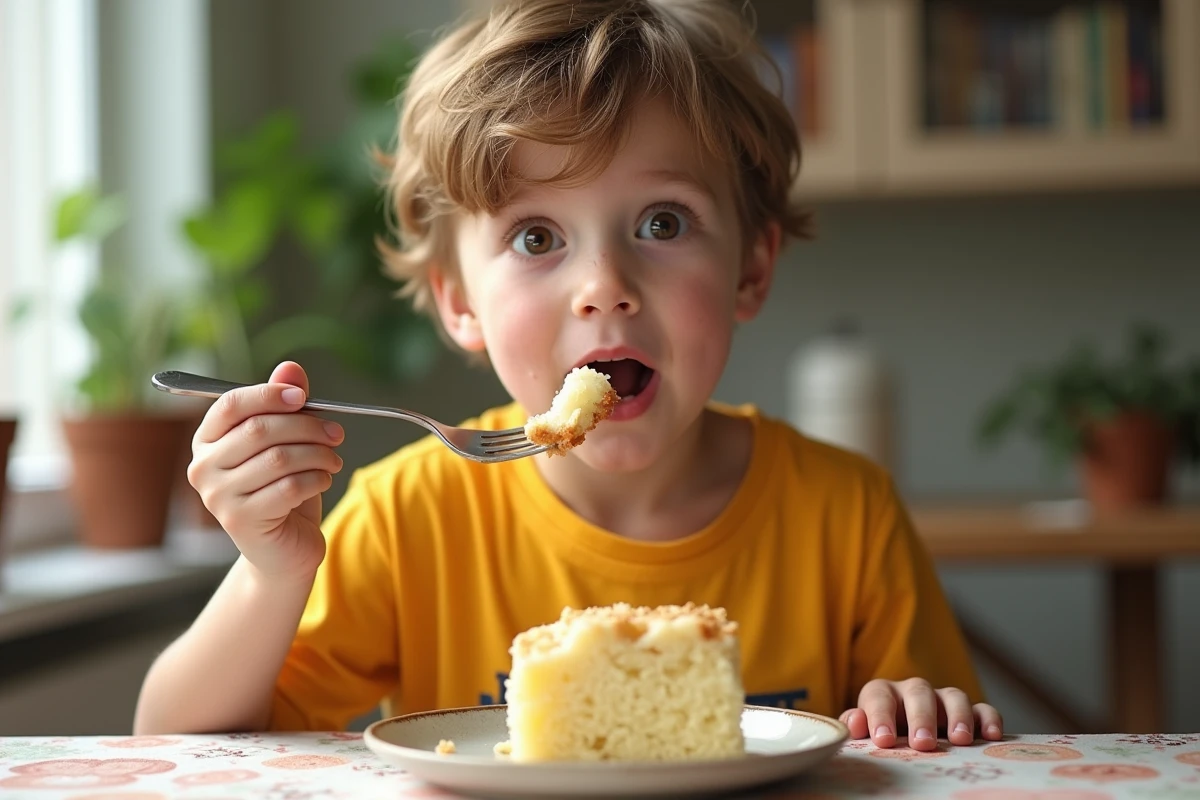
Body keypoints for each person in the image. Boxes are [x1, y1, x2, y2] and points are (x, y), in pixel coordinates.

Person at [135, 0, 1002, 751]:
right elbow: (174, 752)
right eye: (537, 237)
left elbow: (937, 740)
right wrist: (271, 573)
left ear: (751, 269)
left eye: (663, 222)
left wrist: (920, 712)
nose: (605, 289)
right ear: (458, 300)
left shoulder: (847, 517)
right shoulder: (410, 519)